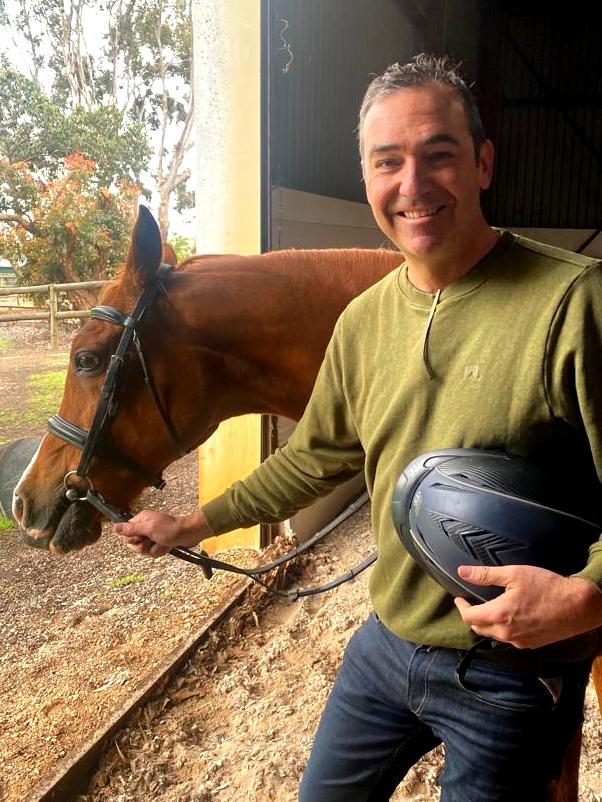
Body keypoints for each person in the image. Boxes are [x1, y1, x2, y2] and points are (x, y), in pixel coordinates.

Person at [115, 54, 602, 801]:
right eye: (389, 162)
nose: (414, 185)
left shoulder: (574, 304)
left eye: (439, 154)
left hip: (509, 675)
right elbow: (312, 458)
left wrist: (586, 596)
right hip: (384, 646)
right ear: (368, 179)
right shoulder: (366, 319)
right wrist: (191, 523)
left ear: (483, 162)